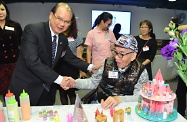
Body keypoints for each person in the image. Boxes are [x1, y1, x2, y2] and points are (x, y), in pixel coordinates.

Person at [8, 2, 100, 106]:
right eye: (59, 19)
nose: (62, 24)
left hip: (47, 89)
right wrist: (60, 79)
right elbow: (32, 62)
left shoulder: (62, 39)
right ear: (51, 15)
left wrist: (91, 67)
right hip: (27, 88)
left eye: (66, 21)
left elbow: (70, 58)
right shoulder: (33, 30)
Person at [72, 34, 149, 110]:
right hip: (101, 103)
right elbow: (93, 82)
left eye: (121, 54)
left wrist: (119, 99)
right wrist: (74, 83)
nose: (116, 57)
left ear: (133, 56)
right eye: (115, 52)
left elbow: (139, 97)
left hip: (125, 108)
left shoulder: (141, 71)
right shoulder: (107, 63)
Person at [56, 13, 85, 105]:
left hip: (72, 67)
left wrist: (81, 70)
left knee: (71, 91)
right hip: (59, 66)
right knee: (62, 92)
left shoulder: (77, 35)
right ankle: (65, 111)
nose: (64, 23)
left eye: (67, 21)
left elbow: (79, 54)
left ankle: (73, 112)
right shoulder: (58, 33)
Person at [164, 19, 187, 117]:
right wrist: (172, 29)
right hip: (184, 68)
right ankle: (181, 114)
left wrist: (173, 27)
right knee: (180, 92)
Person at [0, 0, 22, 96]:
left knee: (16, 90)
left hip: (14, 64)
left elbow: (22, 43)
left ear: (6, 11)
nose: (0, 12)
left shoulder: (14, 25)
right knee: (4, 92)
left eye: (2, 9)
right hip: (0, 65)